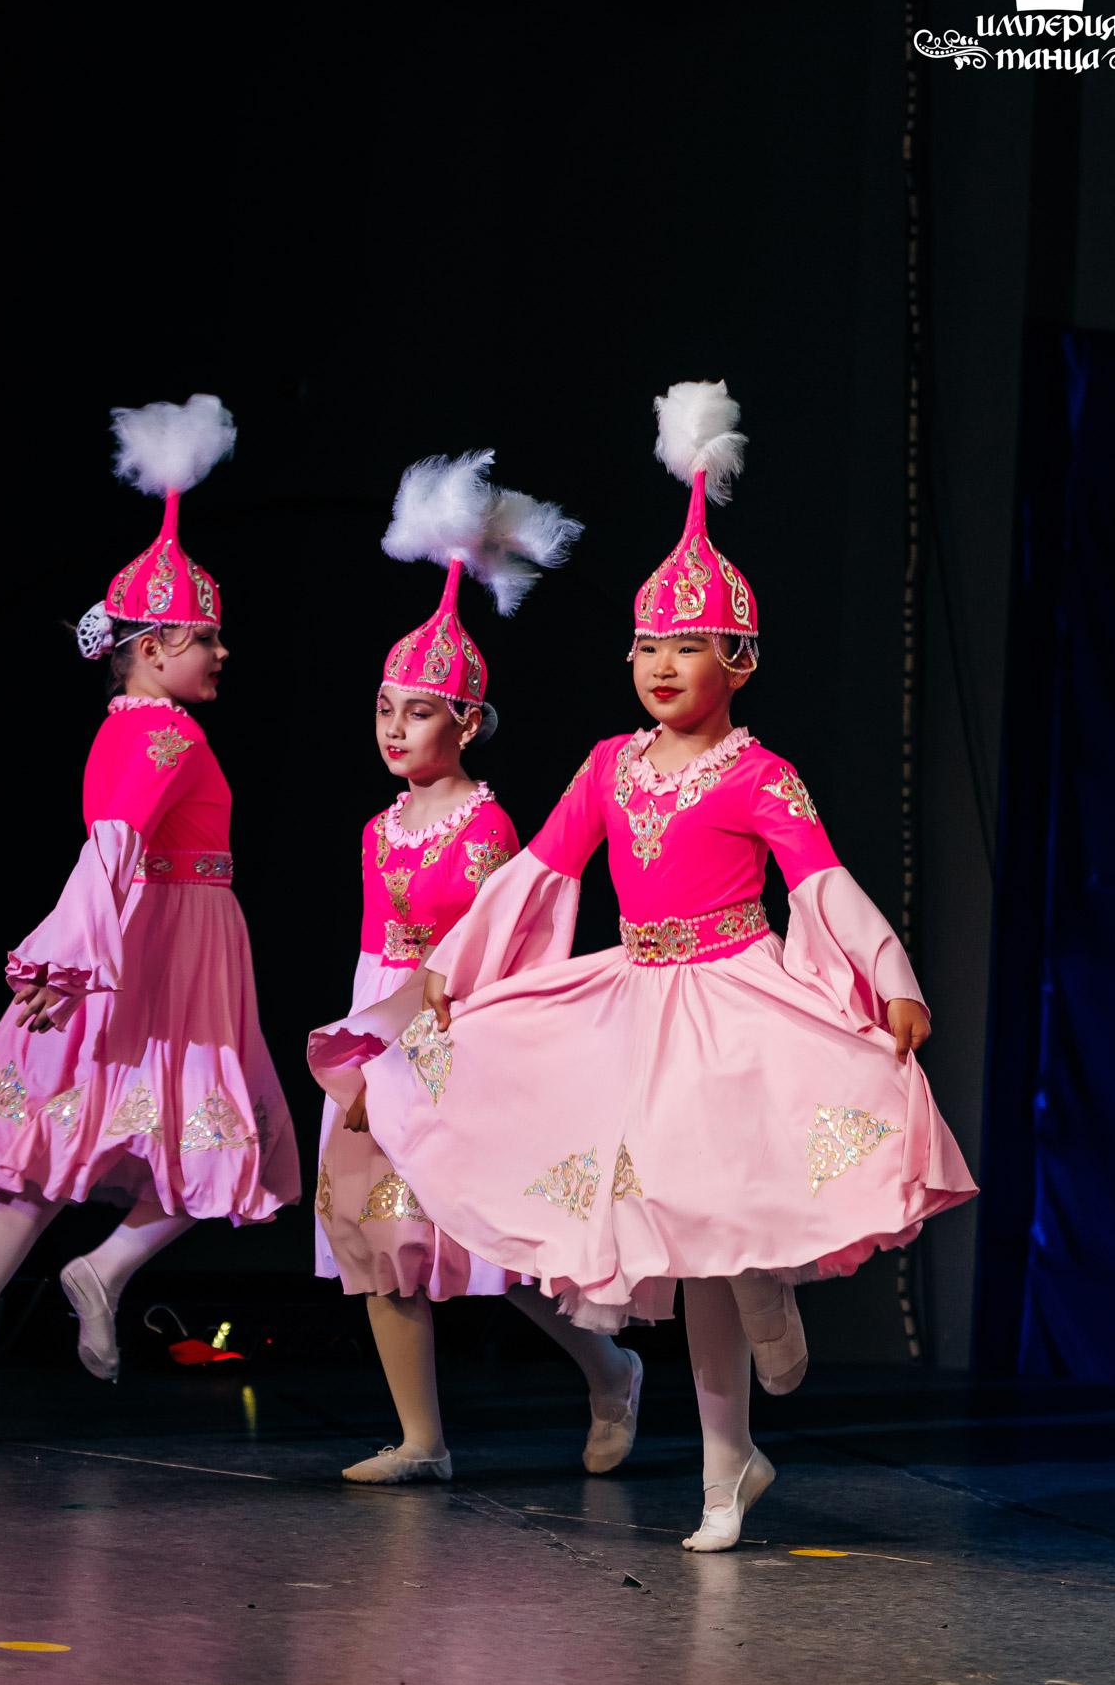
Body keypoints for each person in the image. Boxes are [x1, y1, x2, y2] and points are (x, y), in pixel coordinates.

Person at [363, 381, 978, 1548]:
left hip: (736, 999)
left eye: (686, 646)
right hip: (633, 1010)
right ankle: (726, 1462)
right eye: (646, 643)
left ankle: (755, 1329)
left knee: (715, 1222)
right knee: (686, 1236)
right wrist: (455, 968)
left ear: (737, 659)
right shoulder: (607, 765)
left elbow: (821, 883)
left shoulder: (758, 774)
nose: (658, 664)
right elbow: (536, 874)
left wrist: (890, 981)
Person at [0, 394, 300, 1431]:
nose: (221, 653)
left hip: (151, 943)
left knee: (53, 1148)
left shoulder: (127, 726)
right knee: (247, 1142)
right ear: (155, 645)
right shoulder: (163, 734)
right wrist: (64, 955)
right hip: (164, 951)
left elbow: (114, 844)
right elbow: (115, 844)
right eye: (206, 638)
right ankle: (103, 1269)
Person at [308, 450, 643, 1484]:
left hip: (454, 1032)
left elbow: (495, 952)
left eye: (416, 711)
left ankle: (610, 1369)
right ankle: (422, 1440)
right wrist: (360, 1060)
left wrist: (436, 1053)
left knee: (485, 1240)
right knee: (383, 1234)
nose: (393, 728)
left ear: (465, 722)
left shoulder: (487, 827)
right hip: (382, 1020)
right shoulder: (378, 828)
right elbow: (377, 954)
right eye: (383, 708)